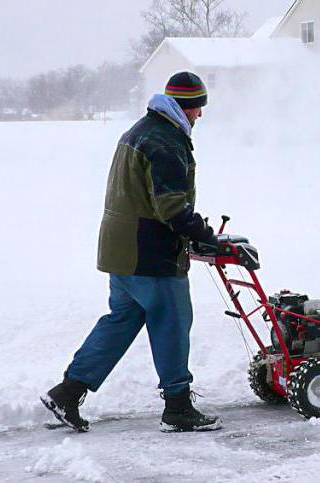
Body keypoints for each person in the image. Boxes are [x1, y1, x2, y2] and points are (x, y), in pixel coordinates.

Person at [41, 72, 222, 433]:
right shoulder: (166, 142)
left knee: (120, 322)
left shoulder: (140, 131)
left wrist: (197, 234)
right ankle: (178, 407)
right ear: (186, 107)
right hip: (150, 255)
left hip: (121, 253)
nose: (200, 115)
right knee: (172, 322)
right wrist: (203, 234)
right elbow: (171, 206)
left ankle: (68, 391)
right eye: (198, 108)